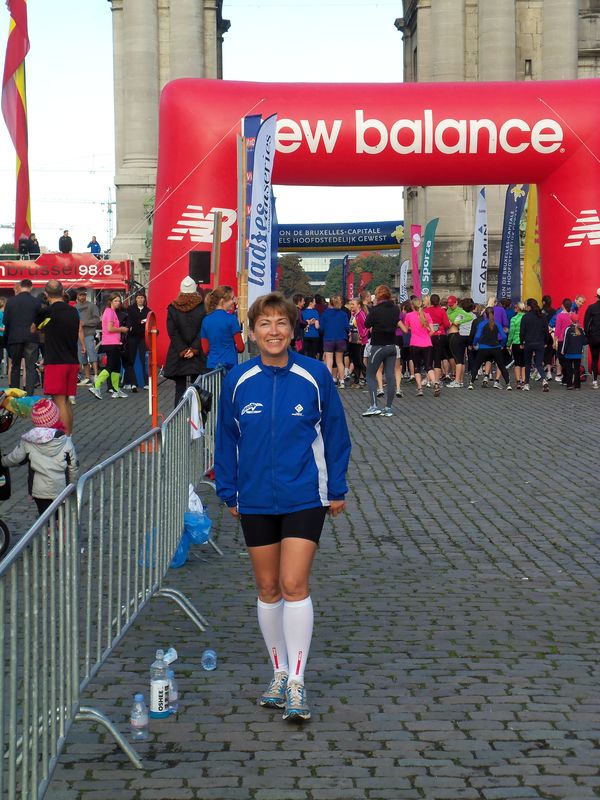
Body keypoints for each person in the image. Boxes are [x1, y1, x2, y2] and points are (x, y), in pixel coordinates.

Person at [215, 291, 351, 723]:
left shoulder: (315, 375)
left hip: (304, 495)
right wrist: (229, 490)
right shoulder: (238, 380)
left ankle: (296, 680)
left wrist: (337, 487)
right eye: (265, 323)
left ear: (293, 330)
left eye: (281, 323)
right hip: (254, 497)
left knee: (294, 584)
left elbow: (336, 433)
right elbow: (226, 438)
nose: (273, 331)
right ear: (252, 332)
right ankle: (277, 673)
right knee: (268, 588)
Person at [1, 398, 78, 517]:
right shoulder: (65, 441)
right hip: (61, 488)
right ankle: (60, 526)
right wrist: (72, 485)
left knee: (45, 517)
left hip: (39, 490)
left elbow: (16, 458)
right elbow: (73, 465)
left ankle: (49, 528)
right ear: (56, 417)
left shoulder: (29, 440)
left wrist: (3, 461)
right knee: (61, 516)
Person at [34, 280, 81, 433]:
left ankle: (64, 439)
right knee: (66, 401)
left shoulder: (46, 312)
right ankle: (69, 437)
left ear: (46, 294)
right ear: (62, 292)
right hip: (72, 360)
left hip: (56, 361)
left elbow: (34, 329)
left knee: (59, 402)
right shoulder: (73, 311)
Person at [164, 276, 208, 406]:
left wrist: (183, 350)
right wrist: (194, 349)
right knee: (197, 388)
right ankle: (197, 417)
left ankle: (179, 416)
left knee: (180, 388)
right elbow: (203, 330)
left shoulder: (173, 308)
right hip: (197, 353)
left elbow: (172, 332)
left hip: (178, 353)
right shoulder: (202, 308)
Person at [362, 285, 400, 416]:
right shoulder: (395, 309)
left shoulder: (376, 310)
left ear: (378, 296)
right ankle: (388, 407)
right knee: (390, 376)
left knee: (370, 374)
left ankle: (374, 406)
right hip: (392, 346)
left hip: (378, 345)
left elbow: (367, 324)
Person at [3, 278, 42, 396]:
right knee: (30, 368)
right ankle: (29, 395)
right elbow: (40, 321)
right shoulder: (36, 302)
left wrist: (6, 340)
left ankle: (15, 396)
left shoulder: (10, 301)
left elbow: (6, 322)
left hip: (14, 338)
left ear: (20, 287)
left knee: (15, 367)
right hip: (32, 338)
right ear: (31, 287)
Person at [88, 293, 129, 400]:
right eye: (115, 301)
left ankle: (116, 390)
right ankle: (96, 386)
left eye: (119, 301)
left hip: (113, 342)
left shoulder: (111, 312)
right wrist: (121, 329)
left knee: (116, 366)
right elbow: (110, 328)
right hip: (111, 343)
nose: (118, 303)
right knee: (110, 366)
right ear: (110, 302)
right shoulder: (110, 312)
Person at [200, 285, 244, 374]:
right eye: (232, 298)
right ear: (222, 301)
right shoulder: (232, 319)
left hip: (212, 366)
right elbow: (240, 347)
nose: (234, 301)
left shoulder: (205, 320)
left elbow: (205, 349)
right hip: (230, 366)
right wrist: (231, 348)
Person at [402, 298, 438, 397]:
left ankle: (420, 389)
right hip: (427, 344)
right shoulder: (427, 315)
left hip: (415, 344)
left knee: (417, 367)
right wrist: (426, 337)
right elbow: (432, 331)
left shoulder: (409, 315)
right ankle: (435, 383)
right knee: (429, 366)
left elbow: (405, 330)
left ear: (412, 306)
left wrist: (408, 327)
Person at [469, 308, 511, 390]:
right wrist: (502, 345)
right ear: (493, 314)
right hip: (496, 348)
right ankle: (508, 384)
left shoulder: (482, 324)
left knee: (476, 365)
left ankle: (471, 383)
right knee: (502, 366)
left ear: (485, 314)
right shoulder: (497, 324)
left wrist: (474, 344)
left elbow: (477, 336)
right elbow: (504, 336)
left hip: (483, 348)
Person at [319, 295, 349, 388]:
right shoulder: (343, 314)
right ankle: (342, 381)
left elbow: (321, 328)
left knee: (329, 362)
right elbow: (347, 327)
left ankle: (329, 382)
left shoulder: (324, 314)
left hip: (328, 339)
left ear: (330, 303)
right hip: (341, 339)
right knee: (340, 361)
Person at [123, 291, 150, 391]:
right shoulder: (130, 309)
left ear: (145, 299)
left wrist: (140, 322)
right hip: (132, 337)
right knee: (131, 359)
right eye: (138, 298)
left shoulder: (148, 311)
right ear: (135, 299)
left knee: (144, 360)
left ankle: (146, 383)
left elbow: (149, 322)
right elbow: (131, 321)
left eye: (142, 298)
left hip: (143, 337)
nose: (140, 300)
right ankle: (129, 382)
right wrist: (141, 321)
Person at [521, 298, 550, 392]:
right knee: (539, 364)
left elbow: (522, 332)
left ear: (529, 307)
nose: (525, 307)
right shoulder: (542, 316)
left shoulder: (525, 317)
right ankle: (544, 380)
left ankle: (526, 384)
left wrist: (521, 342)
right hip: (540, 342)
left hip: (528, 343)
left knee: (527, 364)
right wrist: (546, 342)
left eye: (526, 305)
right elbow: (546, 331)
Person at [74, 288, 101, 386]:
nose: (82, 297)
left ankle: (96, 375)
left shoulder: (92, 306)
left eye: (83, 295)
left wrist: (85, 323)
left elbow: (97, 320)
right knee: (82, 357)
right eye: (80, 295)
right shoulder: (75, 307)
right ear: (77, 296)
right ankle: (87, 377)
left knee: (92, 354)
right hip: (78, 335)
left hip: (89, 334)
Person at [562, 313, 587, 390]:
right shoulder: (581, 329)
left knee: (569, 369)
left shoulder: (568, 329)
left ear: (570, 320)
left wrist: (563, 350)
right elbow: (585, 342)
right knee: (577, 370)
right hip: (578, 353)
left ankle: (569, 385)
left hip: (569, 353)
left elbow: (565, 341)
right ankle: (577, 386)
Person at [506, 301, 526, 389]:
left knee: (517, 363)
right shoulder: (527, 318)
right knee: (524, 363)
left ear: (518, 309)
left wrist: (508, 343)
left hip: (516, 342)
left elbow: (511, 333)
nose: (514, 309)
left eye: (515, 307)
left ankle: (518, 382)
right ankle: (524, 381)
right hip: (525, 342)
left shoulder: (514, 319)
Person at [583, 287, 600, 389]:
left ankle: (595, 382)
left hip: (594, 338)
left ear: (597, 296)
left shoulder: (591, 308)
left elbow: (586, 324)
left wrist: (588, 336)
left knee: (594, 359)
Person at [301, 296, 320, 360]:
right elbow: (317, 326)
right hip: (314, 335)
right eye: (314, 302)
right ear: (310, 303)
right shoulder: (315, 312)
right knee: (313, 354)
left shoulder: (302, 312)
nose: (315, 303)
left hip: (305, 335)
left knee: (306, 354)